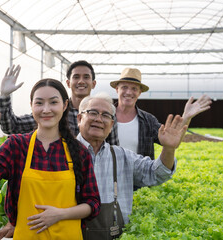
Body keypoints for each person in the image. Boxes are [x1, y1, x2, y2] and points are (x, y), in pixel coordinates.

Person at [0, 78, 100, 239]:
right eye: (39, 103)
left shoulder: (78, 151)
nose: (46, 109)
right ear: (31, 106)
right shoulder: (17, 146)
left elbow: (93, 203)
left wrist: (60, 214)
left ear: (64, 106)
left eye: (53, 102)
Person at [76, 92, 187, 237]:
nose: (99, 119)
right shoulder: (63, 153)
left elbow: (157, 173)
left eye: (105, 115)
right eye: (93, 113)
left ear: (111, 124)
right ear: (79, 118)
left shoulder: (122, 156)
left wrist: (169, 148)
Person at [0, 61, 118, 144]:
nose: (81, 81)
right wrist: (4, 96)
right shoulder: (55, 112)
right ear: (68, 83)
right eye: (76, 77)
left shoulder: (103, 115)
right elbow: (11, 126)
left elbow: (112, 147)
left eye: (86, 77)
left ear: (93, 83)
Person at [110, 67, 212, 159]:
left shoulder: (148, 121)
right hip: (109, 178)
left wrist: (186, 117)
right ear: (117, 89)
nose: (128, 92)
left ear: (139, 93)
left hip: (139, 178)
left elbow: (172, 142)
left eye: (134, 89)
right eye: (124, 87)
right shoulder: (105, 116)